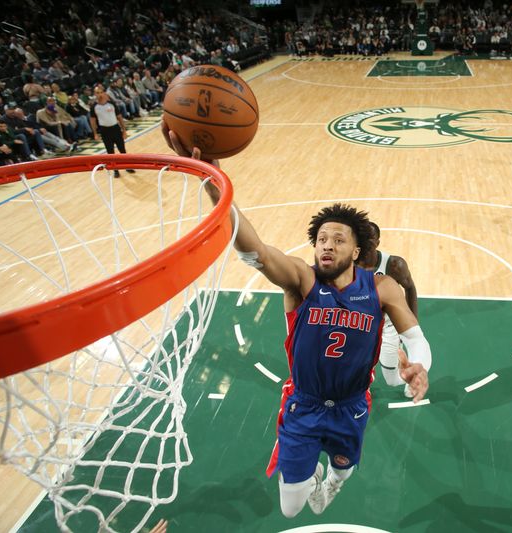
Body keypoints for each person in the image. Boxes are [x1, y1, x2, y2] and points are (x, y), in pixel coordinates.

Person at [161, 123, 431, 519]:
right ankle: (314, 478)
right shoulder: (301, 281)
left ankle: (332, 481)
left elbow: (417, 338)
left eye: (339, 239)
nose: (328, 245)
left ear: (357, 250)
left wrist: (421, 363)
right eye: (322, 238)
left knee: (344, 470)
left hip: (352, 406)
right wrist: (211, 181)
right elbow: (255, 249)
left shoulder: (382, 287)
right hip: (302, 406)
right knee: (291, 510)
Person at [357, 222, 419, 396]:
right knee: (353, 365)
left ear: (377, 242)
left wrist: (411, 324)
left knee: (391, 381)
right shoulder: (348, 264)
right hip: (361, 325)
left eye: (370, 239)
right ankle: (359, 387)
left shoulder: (394, 265)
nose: (365, 243)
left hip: (388, 328)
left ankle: (412, 377)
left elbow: (410, 288)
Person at [90, 89, 134, 178]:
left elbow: (119, 117)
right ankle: (115, 170)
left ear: (103, 93)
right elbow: (93, 120)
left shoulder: (111, 104)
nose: (99, 94)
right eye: (97, 93)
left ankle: (127, 167)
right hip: (105, 131)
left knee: (122, 149)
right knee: (110, 153)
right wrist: (95, 133)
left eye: (100, 92)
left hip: (115, 129)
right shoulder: (94, 107)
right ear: (95, 94)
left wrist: (124, 131)